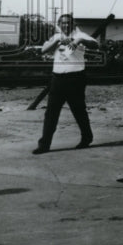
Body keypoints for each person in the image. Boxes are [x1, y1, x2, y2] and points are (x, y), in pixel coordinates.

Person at [33, 14, 98, 154]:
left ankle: (87, 138)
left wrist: (80, 40)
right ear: (59, 24)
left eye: (69, 23)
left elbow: (96, 45)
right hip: (58, 79)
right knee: (51, 112)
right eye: (63, 23)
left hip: (76, 78)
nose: (66, 26)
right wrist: (57, 42)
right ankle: (44, 145)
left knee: (79, 110)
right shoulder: (56, 36)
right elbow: (43, 50)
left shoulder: (80, 34)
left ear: (73, 24)